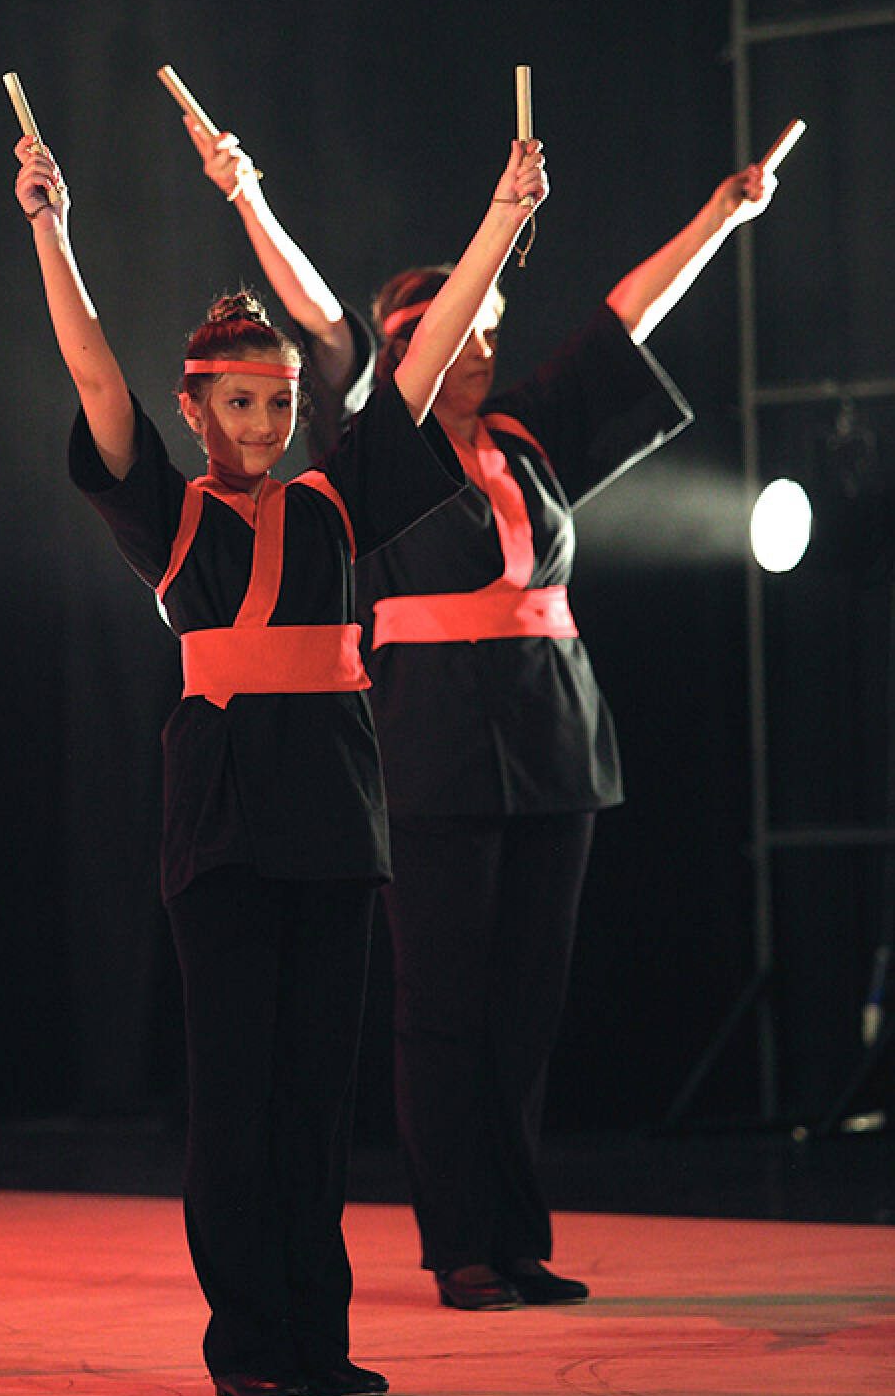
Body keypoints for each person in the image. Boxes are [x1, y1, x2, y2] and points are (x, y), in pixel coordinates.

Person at [183, 112, 777, 1310]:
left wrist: (721, 217)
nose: (479, 346)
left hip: (552, 731)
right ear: (411, 345)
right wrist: (247, 194)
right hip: (432, 740)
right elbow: (318, 317)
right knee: (443, 1003)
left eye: (492, 328)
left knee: (525, 1005)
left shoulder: (523, 435)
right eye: (460, 327)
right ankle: (458, 1240)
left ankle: (516, 1235)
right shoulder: (378, 442)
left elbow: (624, 321)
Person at [12, 125, 546, 1396]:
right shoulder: (170, 512)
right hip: (224, 823)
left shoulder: (334, 502)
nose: (262, 422)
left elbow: (420, 363)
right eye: (240, 404)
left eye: (279, 403)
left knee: (313, 1098)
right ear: (196, 410)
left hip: (336, 818)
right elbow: (92, 371)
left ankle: (316, 1335)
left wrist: (502, 215)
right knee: (237, 1095)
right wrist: (50, 228)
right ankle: (249, 1344)